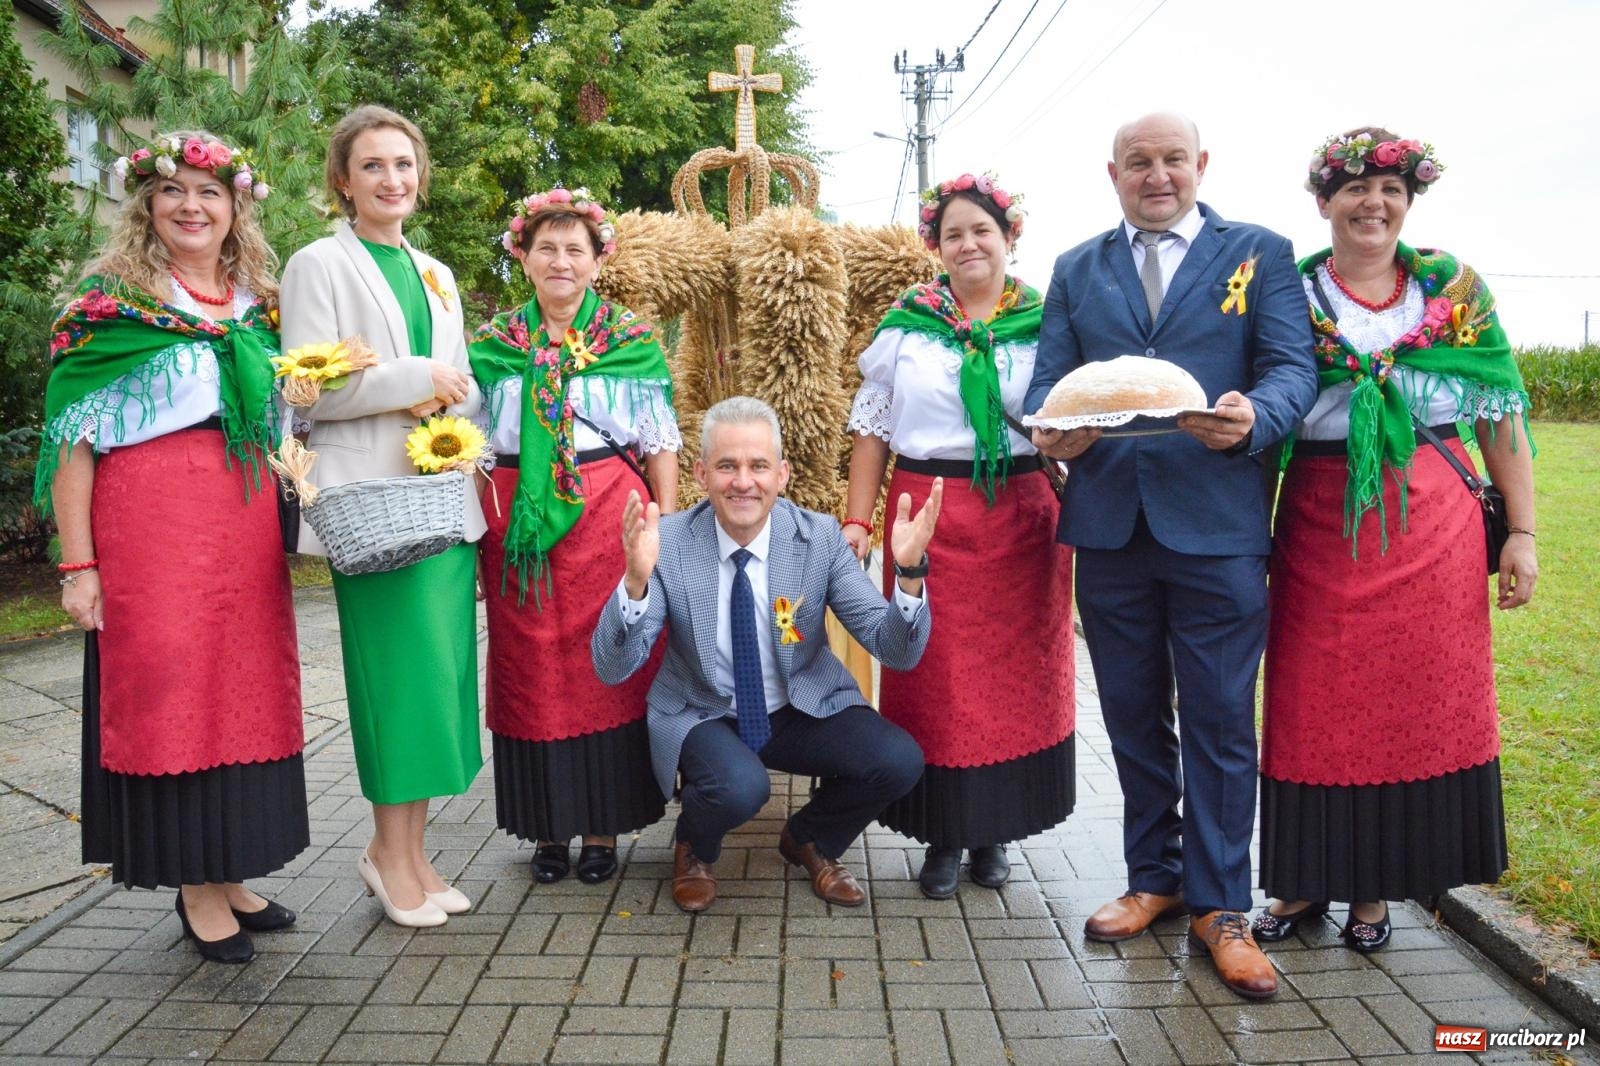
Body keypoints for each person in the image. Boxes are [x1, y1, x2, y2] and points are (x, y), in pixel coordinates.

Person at [1025, 112, 1319, 999]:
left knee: (1223, 717)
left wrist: (1252, 421)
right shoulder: (1077, 268)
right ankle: (1155, 876)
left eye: (1173, 161)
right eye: (1140, 163)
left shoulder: (1259, 253)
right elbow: (1048, 386)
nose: (1159, 176)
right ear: (1112, 172)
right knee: (1133, 713)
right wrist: (1051, 440)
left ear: (1202, 166)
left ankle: (1223, 904)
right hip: (1111, 526)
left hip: (1217, 525)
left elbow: (1292, 371)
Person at [1252, 128, 1537, 952]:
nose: (1373, 205)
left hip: (1433, 524)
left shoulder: (1457, 293)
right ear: (1324, 203)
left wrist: (1520, 532)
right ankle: (1303, 882)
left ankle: (1375, 892)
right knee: (1310, 705)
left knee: (1408, 702)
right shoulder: (1290, 295)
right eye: (1355, 190)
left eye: (1391, 192)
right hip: (1319, 520)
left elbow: (1500, 413)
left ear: (1409, 204)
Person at [36, 131, 306, 963]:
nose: (193, 205)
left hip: (245, 522)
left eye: (210, 192)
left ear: (236, 208)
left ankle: (229, 869)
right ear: (147, 205)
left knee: (244, 689)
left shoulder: (259, 305)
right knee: (173, 692)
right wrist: (78, 565)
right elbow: (72, 444)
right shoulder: (106, 308)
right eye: (175, 191)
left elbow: (281, 414)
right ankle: (194, 888)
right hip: (148, 525)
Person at [592, 397, 938, 913]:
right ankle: (695, 846)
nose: (742, 481)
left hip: (799, 707)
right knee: (740, 788)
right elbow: (612, 665)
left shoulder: (818, 538)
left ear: (782, 474)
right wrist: (636, 583)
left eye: (757, 466)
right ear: (702, 473)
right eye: (727, 465)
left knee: (898, 760)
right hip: (703, 710)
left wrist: (908, 575)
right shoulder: (670, 544)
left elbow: (893, 649)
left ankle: (810, 838)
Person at [279, 105, 484, 928]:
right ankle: (382, 857)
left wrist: (451, 397)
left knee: (438, 686)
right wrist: (415, 377)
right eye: (372, 166)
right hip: (370, 507)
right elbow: (310, 392)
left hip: (439, 499)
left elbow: (455, 376)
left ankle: (412, 854)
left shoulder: (436, 271)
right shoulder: (316, 265)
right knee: (393, 686)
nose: (391, 179)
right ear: (343, 180)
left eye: (404, 164)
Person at [843, 172, 1074, 899]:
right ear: (933, 247)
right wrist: (858, 519)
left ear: (1010, 237)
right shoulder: (906, 329)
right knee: (933, 675)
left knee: (1011, 676)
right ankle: (942, 833)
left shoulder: (1048, 323)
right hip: (927, 513)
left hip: (1021, 512)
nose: (969, 244)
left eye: (982, 230)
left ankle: (994, 830)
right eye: (953, 234)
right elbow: (872, 430)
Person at [469, 186, 679, 885]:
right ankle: (547, 829)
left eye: (574, 250)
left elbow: (659, 443)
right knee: (531, 672)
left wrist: (665, 526)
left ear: (596, 263)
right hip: (520, 530)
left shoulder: (629, 342)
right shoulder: (494, 348)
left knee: (608, 663)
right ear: (522, 258)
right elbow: (472, 446)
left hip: (609, 520)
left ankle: (602, 829)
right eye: (546, 248)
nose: (560, 260)